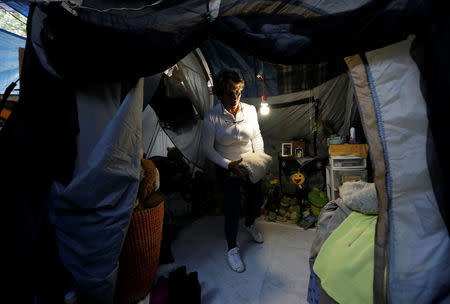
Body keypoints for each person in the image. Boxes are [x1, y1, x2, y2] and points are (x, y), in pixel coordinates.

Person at [201, 69, 265, 273]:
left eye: (238, 91)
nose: (236, 97)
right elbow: (206, 148)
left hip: (250, 164)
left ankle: (249, 223)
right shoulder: (212, 117)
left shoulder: (250, 110)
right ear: (220, 95)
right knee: (233, 207)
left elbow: (256, 137)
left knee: (257, 201)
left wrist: (259, 161)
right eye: (230, 93)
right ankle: (232, 248)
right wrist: (229, 165)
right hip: (226, 166)